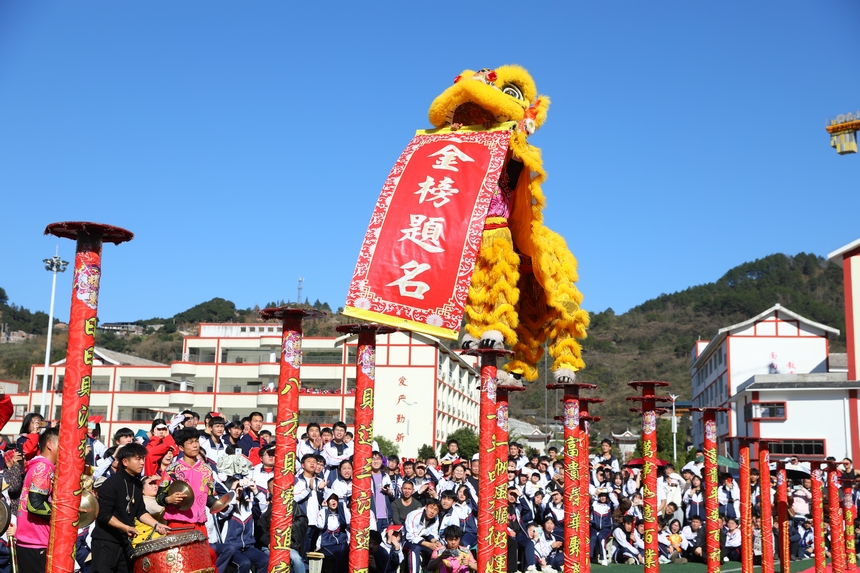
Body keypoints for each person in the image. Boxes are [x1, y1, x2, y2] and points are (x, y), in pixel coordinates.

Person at [92, 443, 170, 573]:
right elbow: (104, 515)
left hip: (125, 542)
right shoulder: (111, 484)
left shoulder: (137, 484)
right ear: (125, 462)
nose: (142, 463)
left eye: (143, 459)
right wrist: (125, 527)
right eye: (138, 459)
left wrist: (157, 525)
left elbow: (140, 511)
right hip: (105, 542)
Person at [156, 427, 218, 564]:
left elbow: (208, 498)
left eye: (196, 441)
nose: (195, 445)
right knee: (178, 566)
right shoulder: (172, 469)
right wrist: (169, 499)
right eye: (190, 442)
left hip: (199, 525)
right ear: (181, 448)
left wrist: (219, 505)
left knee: (202, 565)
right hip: (177, 524)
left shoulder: (207, 470)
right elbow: (159, 497)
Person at [15, 427, 59, 571]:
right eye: (62, 445)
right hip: (37, 542)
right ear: (50, 444)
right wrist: (63, 515)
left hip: (30, 540)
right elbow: (35, 505)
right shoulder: (43, 468)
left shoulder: (37, 466)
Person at [404, 499, 443, 573]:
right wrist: (428, 544)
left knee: (436, 549)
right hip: (405, 540)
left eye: (436, 510)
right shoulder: (414, 515)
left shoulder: (436, 518)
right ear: (426, 507)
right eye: (431, 508)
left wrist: (436, 542)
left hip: (422, 540)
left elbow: (433, 533)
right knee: (415, 548)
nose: (432, 512)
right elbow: (410, 536)